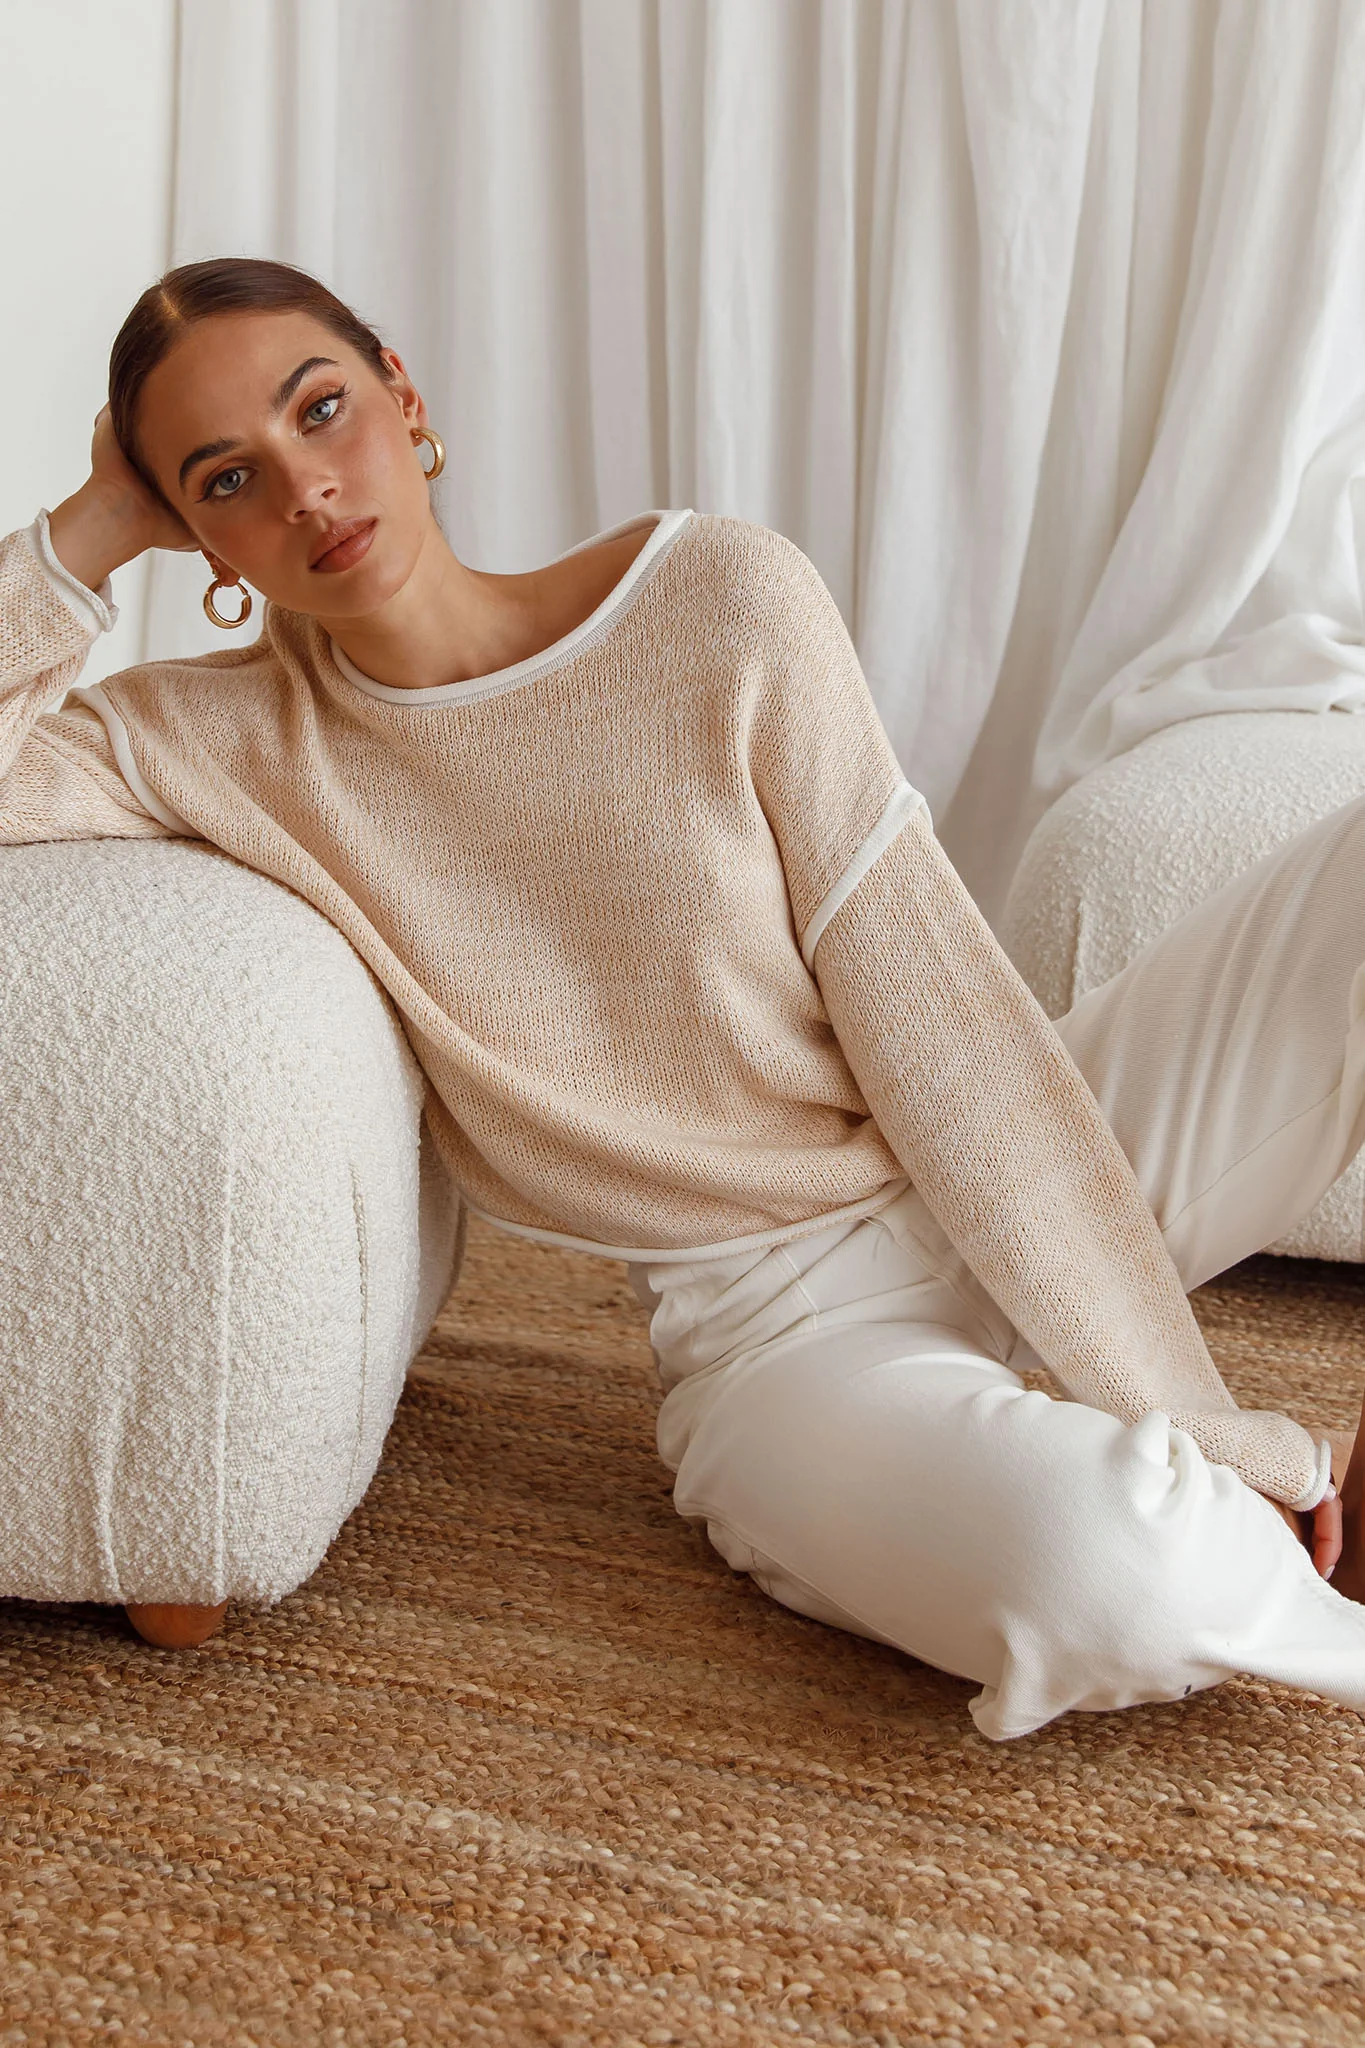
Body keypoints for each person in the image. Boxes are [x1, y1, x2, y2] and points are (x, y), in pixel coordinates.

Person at [4, 256, 1365, 1738]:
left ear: (403, 392)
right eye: (226, 479)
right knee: (1113, 1578)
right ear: (196, 536)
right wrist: (92, 527)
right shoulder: (217, 740)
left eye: (320, 410)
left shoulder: (717, 597)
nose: (306, 489)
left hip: (985, 1139)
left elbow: (943, 1022)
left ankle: (1148, 1459)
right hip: (781, 1342)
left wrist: (1187, 1411)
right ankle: (1201, 1526)